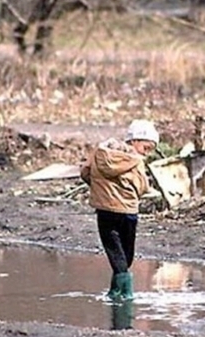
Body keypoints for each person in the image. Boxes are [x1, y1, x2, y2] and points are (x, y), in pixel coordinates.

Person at [80, 119, 159, 301]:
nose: (146, 153)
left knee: (113, 249)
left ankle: (117, 289)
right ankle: (125, 292)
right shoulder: (136, 162)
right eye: (146, 148)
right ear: (135, 141)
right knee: (126, 253)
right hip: (129, 212)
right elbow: (142, 186)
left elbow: (85, 172)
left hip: (105, 210)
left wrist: (98, 187)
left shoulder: (99, 154)